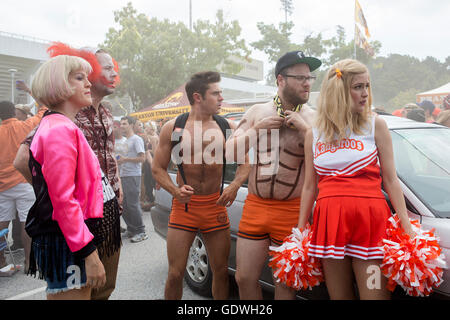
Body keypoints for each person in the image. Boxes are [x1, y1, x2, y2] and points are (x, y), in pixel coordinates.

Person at [296, 59, 415, 300]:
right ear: (339, 90)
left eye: (367, 86)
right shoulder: (314, 133)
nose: (365, 93)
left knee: (374, 296)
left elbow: (391, 180)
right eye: (358, 87)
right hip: (329, 225)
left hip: (369, 226)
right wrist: (300, 230)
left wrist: (407, 225)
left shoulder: (375, 125)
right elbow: (310, 186)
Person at [13, 42, 122, 300]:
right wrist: (87, 251)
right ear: (59, 84)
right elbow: (62, 198)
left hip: (83, 229)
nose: (88, 82)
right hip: (72, 236)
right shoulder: (59, 128)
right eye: (80, 77)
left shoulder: (66, 123)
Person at [225, 50, 321, 300]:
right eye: (300, 77)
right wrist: (256, 130)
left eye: (310, 77)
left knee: (285, 284)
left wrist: (306, 131)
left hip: (292, 210)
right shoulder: (258, 111)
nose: (307, 82)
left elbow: (327, 164)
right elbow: (229, 153)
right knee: (243, 278)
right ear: (281, 80)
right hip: (256, 206)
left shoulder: (315, 118)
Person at [152, 71, 250, 300]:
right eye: (216, 94)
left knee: (221, 271)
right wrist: (175, 190)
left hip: (215, 206)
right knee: (175, 274)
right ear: (198, 97)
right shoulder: (174, 127)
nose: (221, 98)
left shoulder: (227, 127)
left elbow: (247, 163)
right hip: (184, 209)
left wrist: (235, 185)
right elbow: (157, 168)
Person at [0, 100, 46, 275]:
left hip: (2, 185)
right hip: (23, 180)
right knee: (27, 221)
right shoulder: (24, 125)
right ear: (13, 111)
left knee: (2, 223)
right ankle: (29, 261)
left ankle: (1, 260)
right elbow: (43, 112)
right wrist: (31, 93)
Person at [118, 116, 148, 243]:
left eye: (124, 124)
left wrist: (125, 160)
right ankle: (131, 228)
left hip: (133, 175)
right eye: (121, 124)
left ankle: (141, 231)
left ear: (131, 125)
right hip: (123, 175)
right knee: (124, 204)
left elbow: (142, 158)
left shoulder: (136, 139)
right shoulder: (125, 140)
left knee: (132, 204)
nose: (122, 126)